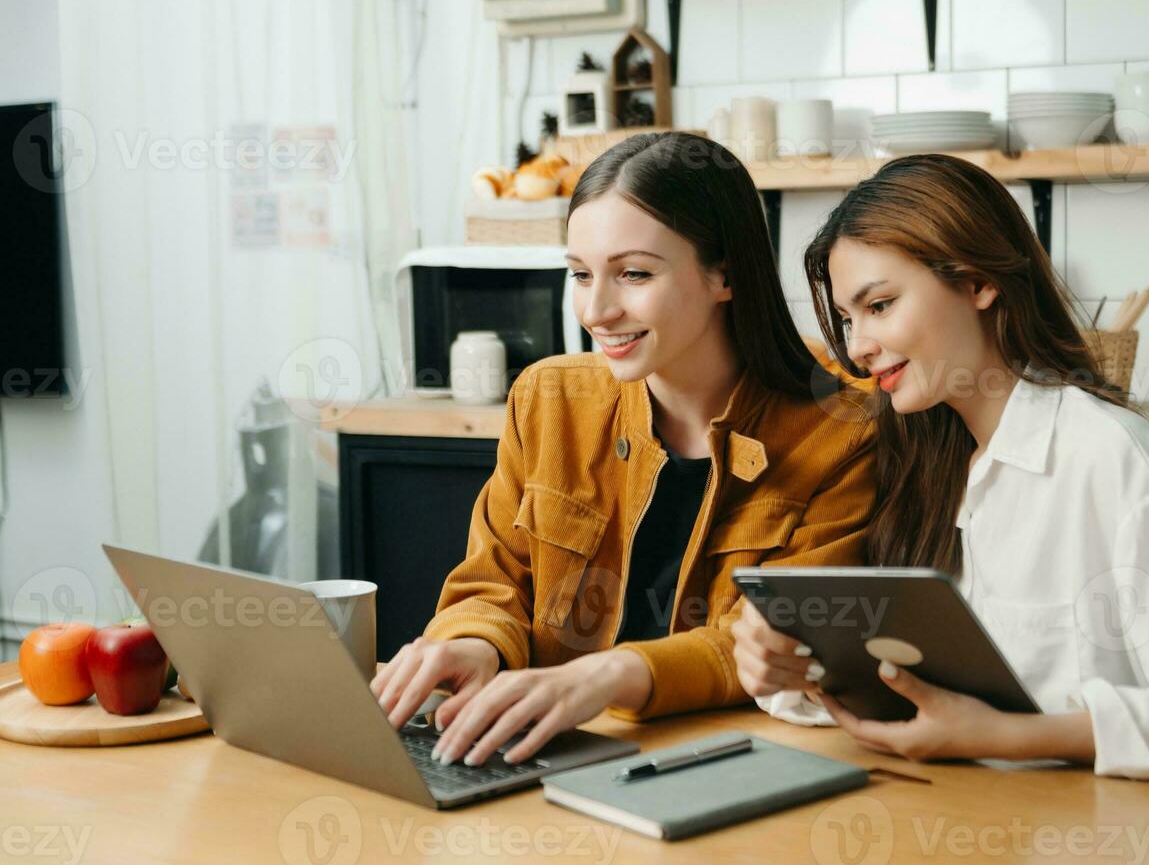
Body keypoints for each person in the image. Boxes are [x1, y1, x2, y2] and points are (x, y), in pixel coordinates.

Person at [732, 153, 1149, 781]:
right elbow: (924, 691)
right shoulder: (919, 461)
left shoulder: (1111, 456)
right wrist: (794, 666)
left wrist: (1013, 737)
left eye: (880, 305)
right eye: (848, 320)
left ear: (979, 281)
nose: (857, 347)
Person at [370, 132, 875, 767]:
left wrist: (608, 675)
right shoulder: (549, 399)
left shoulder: (843, 434)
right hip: (540, 759)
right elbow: (494, 578)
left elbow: (771, 646)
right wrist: (476, 644)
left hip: (728, 767)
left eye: (633, 273)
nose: (596, 310)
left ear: (725, 273)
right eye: (580, 275)